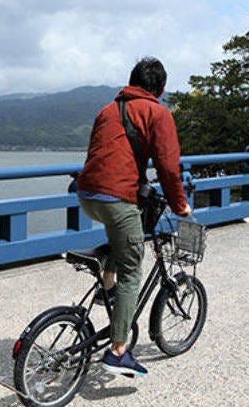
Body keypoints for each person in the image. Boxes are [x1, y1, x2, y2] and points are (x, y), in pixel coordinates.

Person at [77, 57, 192, 377]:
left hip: (87, 195)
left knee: (123, 239)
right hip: (117, 199)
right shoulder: (158, 112)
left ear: (132, 81)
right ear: (162, 88)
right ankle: (118, 351)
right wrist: (180, 205)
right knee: (133, 268)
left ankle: (107, 286)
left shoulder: (107, 109)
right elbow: (169, 168)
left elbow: (102, 155)